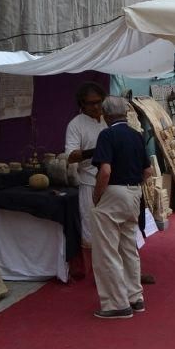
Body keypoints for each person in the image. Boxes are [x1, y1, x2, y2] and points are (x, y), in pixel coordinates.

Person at [90, 96, 152, 319]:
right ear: (125, 113)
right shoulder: (137, 136)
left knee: (107, 251)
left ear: (106, 116)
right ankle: (135, 298)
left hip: (114, 192)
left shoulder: (107, 135)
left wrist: (97, 195)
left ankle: (117, 303)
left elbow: (105, 171)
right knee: (128, 248)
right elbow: (148, 171)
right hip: (134, 192)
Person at [65, 81, 107, 250]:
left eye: (99, 101)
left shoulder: (108, 118)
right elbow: (71, 156)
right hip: (89, 184)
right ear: (82, 103)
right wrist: (97, 151)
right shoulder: (76, 124)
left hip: (111, 182)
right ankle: (93, 274)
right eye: (91, 103)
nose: (97, 106)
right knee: (90, 232)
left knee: (113, 229)